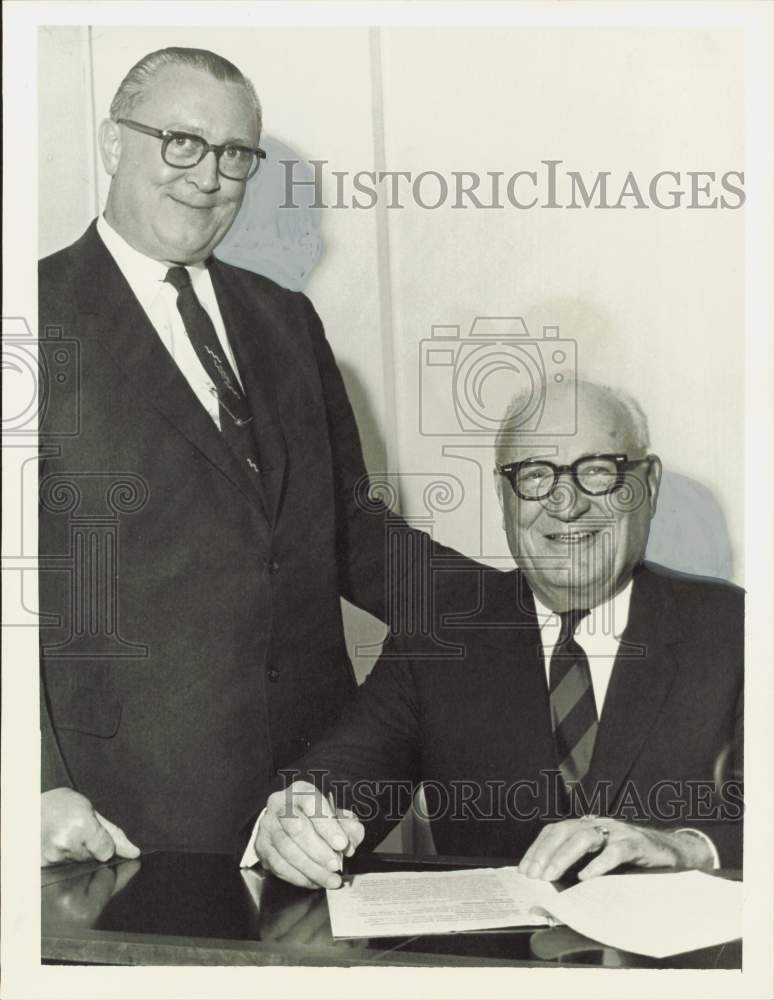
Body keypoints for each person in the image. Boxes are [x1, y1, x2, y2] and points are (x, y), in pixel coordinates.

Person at [39, 46, 450, 864]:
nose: (209, 176)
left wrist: (510, 608)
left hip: (312, 799)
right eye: (181, 142)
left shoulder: (286, 319)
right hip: (115, 812)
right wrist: (33, 784)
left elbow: (349, 529)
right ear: (114, 143)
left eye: (235, 154)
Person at [253, 379, 743, 889]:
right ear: (503, 498)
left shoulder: (737, 631)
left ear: (649, 484)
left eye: (597, 470)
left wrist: (685, 847)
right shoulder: (438, 637)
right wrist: (296, 821)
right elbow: (343, 776)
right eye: (534, 475)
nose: (565, 502)